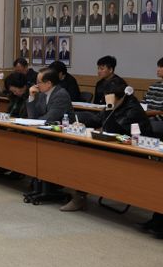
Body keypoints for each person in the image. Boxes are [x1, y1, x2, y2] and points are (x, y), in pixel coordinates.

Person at [61, 79, 152, 212]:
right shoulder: (115, 104)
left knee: (88, 156)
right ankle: (78, 194)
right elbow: (97, 119)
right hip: (115, 148)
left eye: (108, 98)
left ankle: (80, 196)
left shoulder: (133, 110)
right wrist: (81, 122)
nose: (105, 101)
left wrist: (109, 107)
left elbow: (114, 130)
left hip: (134, 153)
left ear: (120, 97)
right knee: (80, 149)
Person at [0, 72, 28, 179]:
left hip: (24, 129)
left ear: (24, 87)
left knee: (14, 140)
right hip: (13, 125)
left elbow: (26, 115)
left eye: (16, 91)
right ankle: (5, 165)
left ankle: (18, 169)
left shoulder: (31, 96)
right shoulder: (14, 96)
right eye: (12, 91)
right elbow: (11, 111)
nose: (15, 93)